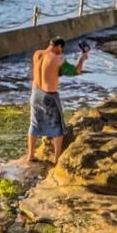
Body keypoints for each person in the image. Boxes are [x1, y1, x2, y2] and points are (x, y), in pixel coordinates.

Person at [26, 36, 88, 164]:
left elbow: (48, 71)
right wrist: (82, 59)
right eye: (62, 49)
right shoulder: (57, 58)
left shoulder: (37, 54)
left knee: (34, 124)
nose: (62, 52)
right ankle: (57, 159)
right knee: (58, 128)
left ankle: (30, 155)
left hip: (35, 92)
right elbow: (75, 71)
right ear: (59, 46)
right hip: (49, 95)